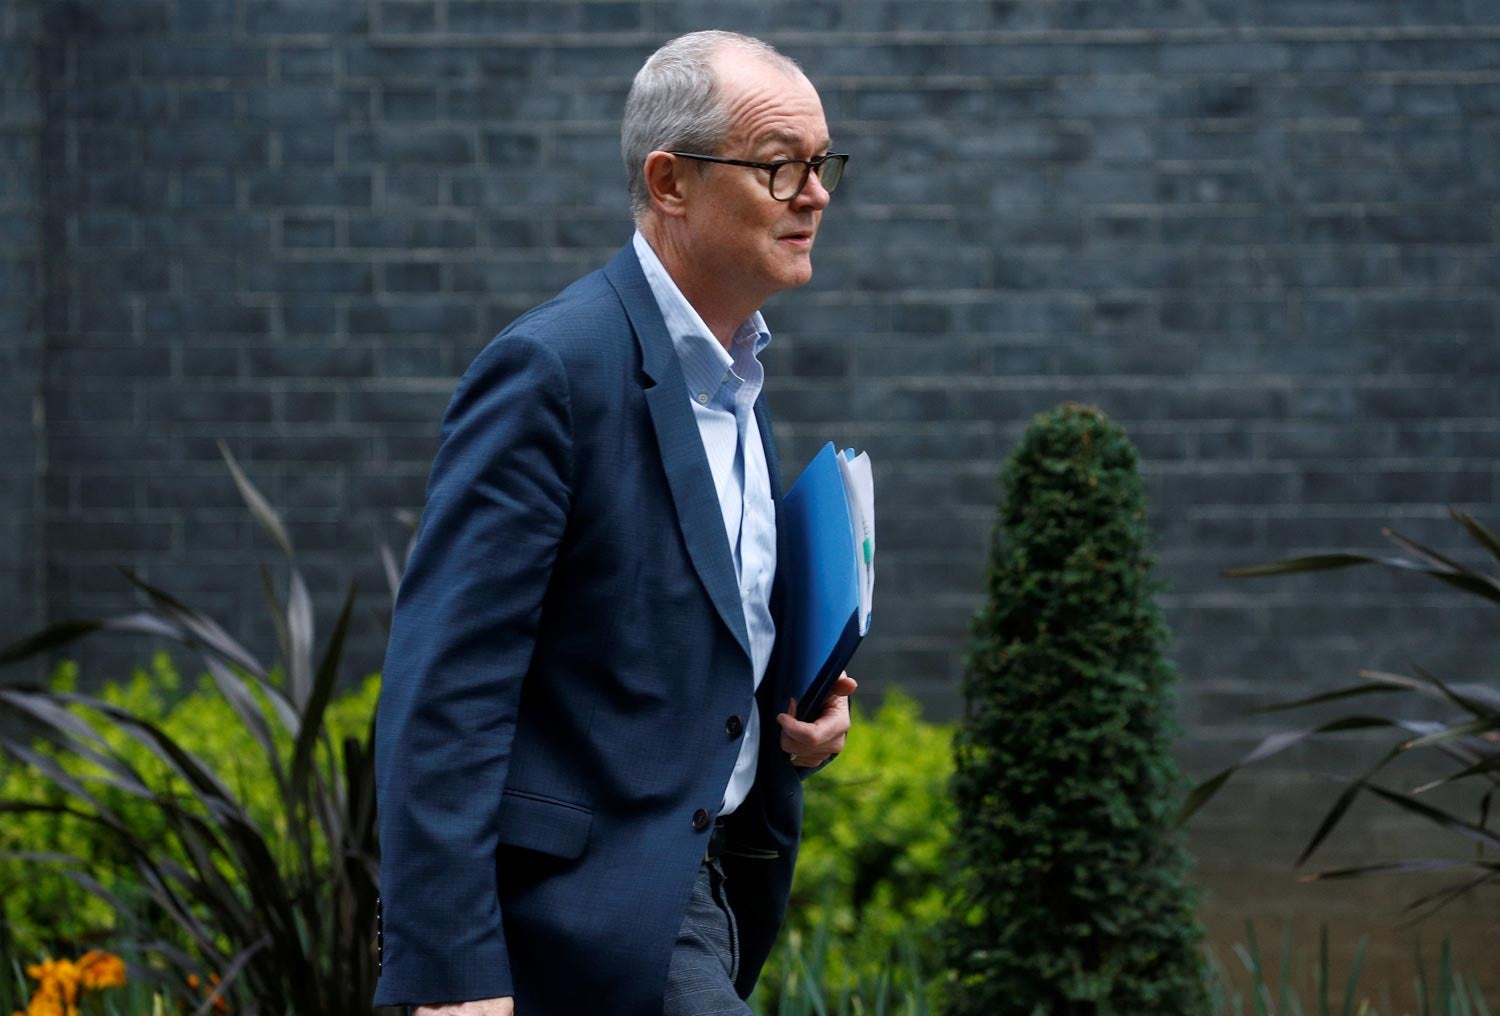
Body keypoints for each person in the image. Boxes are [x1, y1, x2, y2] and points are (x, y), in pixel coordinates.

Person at [372, 30, 858, 1016]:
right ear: (669, 181)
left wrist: (790, 725)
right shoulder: (551, 371)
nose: (814, 193)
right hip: (581, 909)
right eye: (778, 166)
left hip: (710, 881)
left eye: (821, 163)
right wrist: (452, 969)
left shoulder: (739, 380)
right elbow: (443, 688)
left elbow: (673, 645)